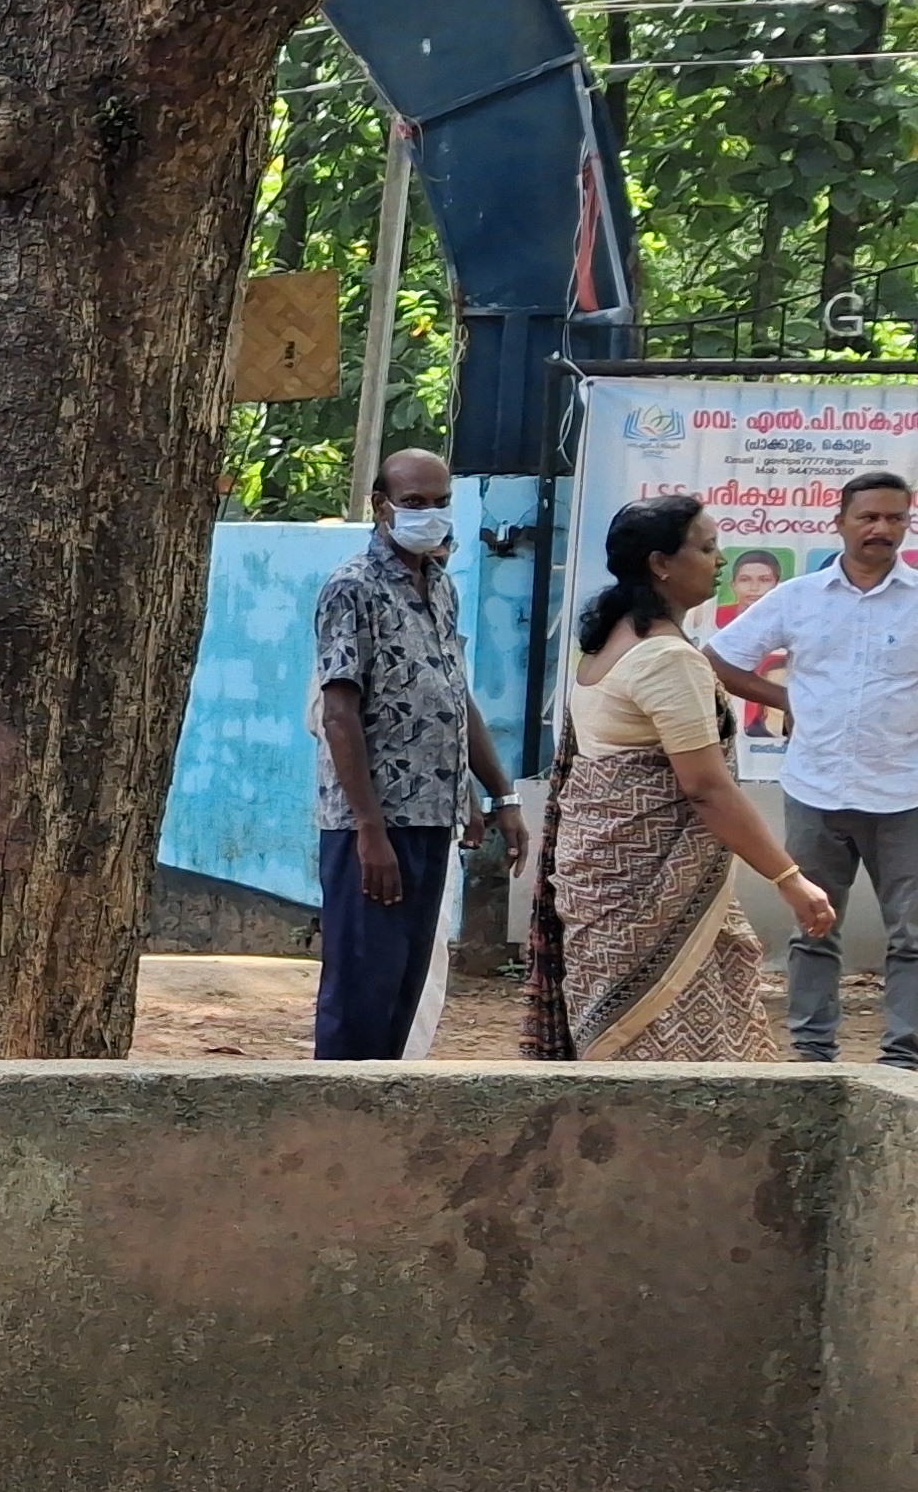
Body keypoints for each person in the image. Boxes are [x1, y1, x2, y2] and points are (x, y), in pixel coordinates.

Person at [531, 494, 834, 1059]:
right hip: (644, 891)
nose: (721, 560)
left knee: (641, 1046)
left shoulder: (610, 643)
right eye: (707, 547)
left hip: (609, 879)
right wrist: (789, 877)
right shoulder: (666, 658)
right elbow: (707, 788)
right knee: (663, 1054)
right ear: (661, 564)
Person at [310, 448, 525, 1061]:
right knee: (362, 989)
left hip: (434, 819)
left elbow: (454, 697)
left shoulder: (440, 587)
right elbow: (339, 714)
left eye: (440, 502)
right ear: (381, 506)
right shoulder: (353, 588)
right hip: (375, 825)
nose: (430, 514)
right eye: (413, 503)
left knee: (405, 986)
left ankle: (385, 1112)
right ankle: (338, 1110)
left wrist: (499, 794)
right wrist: (370, 830)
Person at [708, 470, 918, 1065]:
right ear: (840, 522)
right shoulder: (798, 598)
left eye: (894, 518)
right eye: (868, 517)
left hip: (905, 790)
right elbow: (718, 659)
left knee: (912, 935)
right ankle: (812, 1055)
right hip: (816, 788)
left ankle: (904, 1059)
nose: (881, 528)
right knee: (814, 926)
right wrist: (785, 699)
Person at [711, 548, 789, 751]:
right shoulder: (715, 619)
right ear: (733, 585)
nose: (754, 588)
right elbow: (714, 661)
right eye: (745, 580)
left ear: (777, 584)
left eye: (764, 580)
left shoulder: (786, 620)